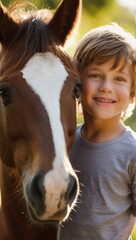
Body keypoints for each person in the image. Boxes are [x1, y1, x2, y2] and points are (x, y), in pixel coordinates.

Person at [58, 24, 136, 240]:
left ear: (132, 92)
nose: (106, 86)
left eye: (119, 78)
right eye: (95, 75)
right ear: (77, 83)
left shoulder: (132, 151)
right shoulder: (64, 143)